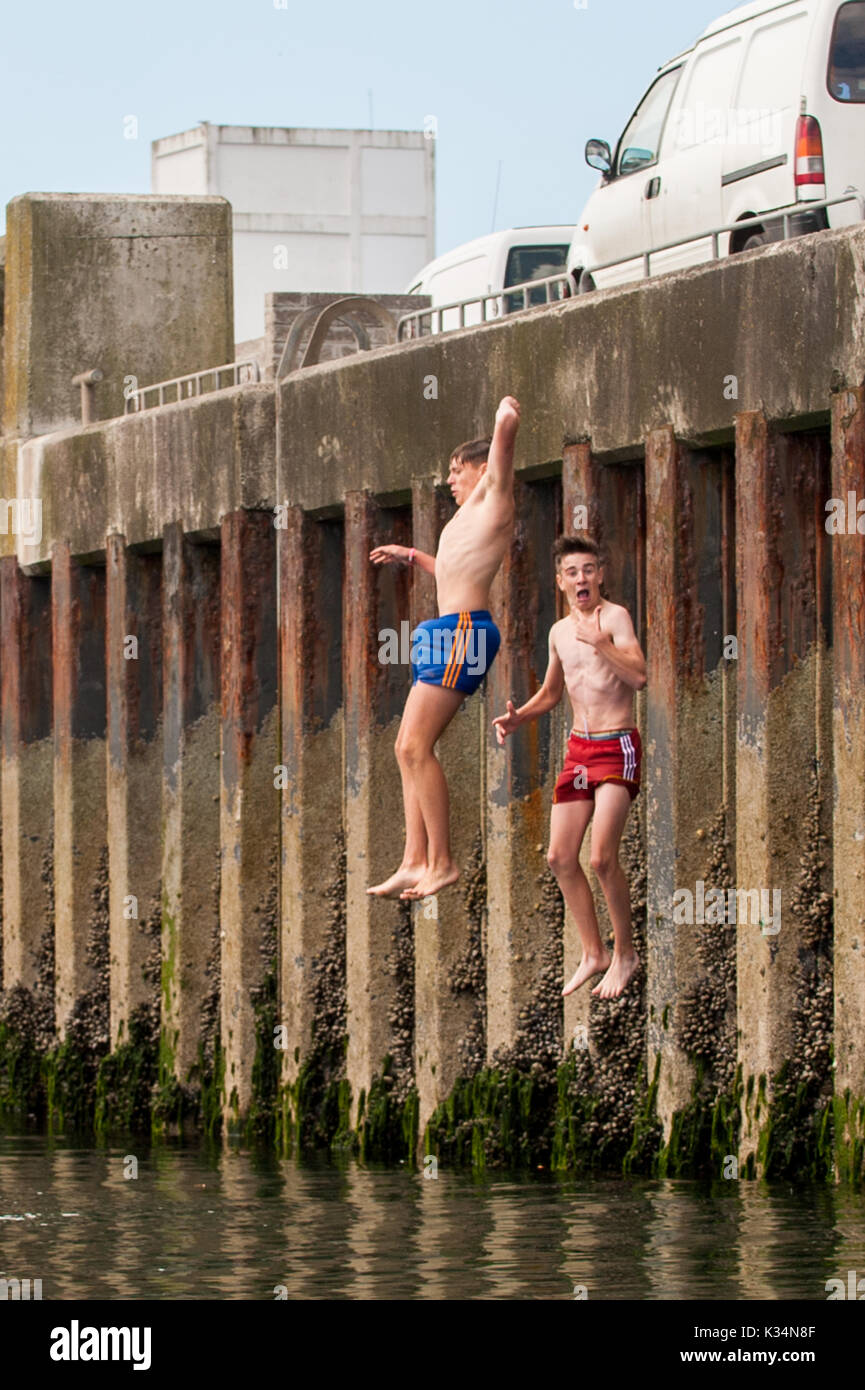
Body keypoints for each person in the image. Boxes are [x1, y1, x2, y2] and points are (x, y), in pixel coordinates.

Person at [367, 396, 521, 900]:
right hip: (446, 631)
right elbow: (454, 570)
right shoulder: (465, 521)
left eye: (458, 471)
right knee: (403, 747)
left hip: (466, 633)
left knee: (416, 747)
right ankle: (415, 860)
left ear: (482, 470)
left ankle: (443, 861)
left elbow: (505, 441)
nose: (451, 480)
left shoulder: (495, 497)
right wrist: (410, 555)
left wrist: (502, 414)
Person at [492, 535, 647, 999]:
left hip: (617, 745)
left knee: (600, 858)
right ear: (560, 581)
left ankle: (626, 954)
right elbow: (554, 692)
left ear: (600, 574)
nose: (582, 578)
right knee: (560, 857)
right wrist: (521, 716)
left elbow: (639, 676)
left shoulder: (614, 618)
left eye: (589, 569)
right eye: (573, 572)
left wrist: (603, 644)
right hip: (579, 749)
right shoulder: (558, 632)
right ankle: (594, 952)